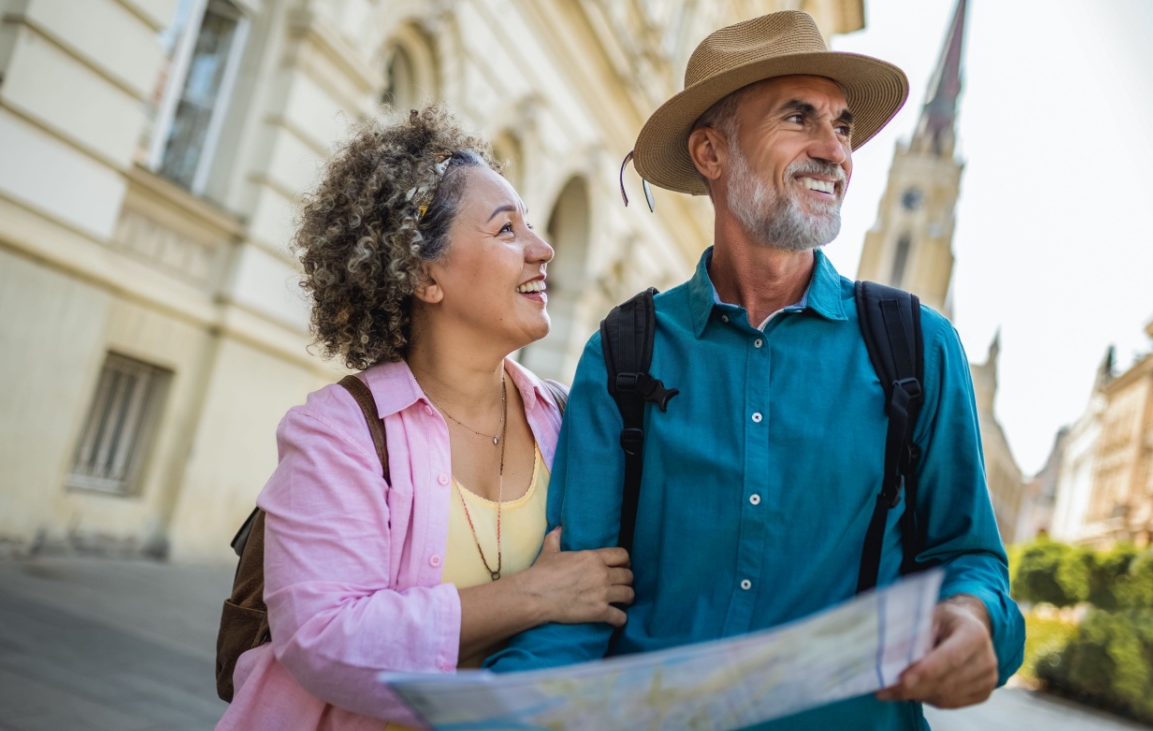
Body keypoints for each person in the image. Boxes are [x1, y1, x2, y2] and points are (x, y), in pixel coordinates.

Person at [485, 11, 1025, 729]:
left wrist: (977, 617)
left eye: (842, 125)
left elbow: (972, 558)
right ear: (711, 151)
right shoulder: (624, 352)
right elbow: (576, 609)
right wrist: (489, 713)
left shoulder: (918, 349)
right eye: (799, 118)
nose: (834, 149)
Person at [217, 106, 634, 730]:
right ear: (423, 274)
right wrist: (534, 594)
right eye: (506, 231)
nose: (542, 251)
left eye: (533, 228)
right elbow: (325, 639)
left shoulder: (565, 419)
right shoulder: (339, 431)